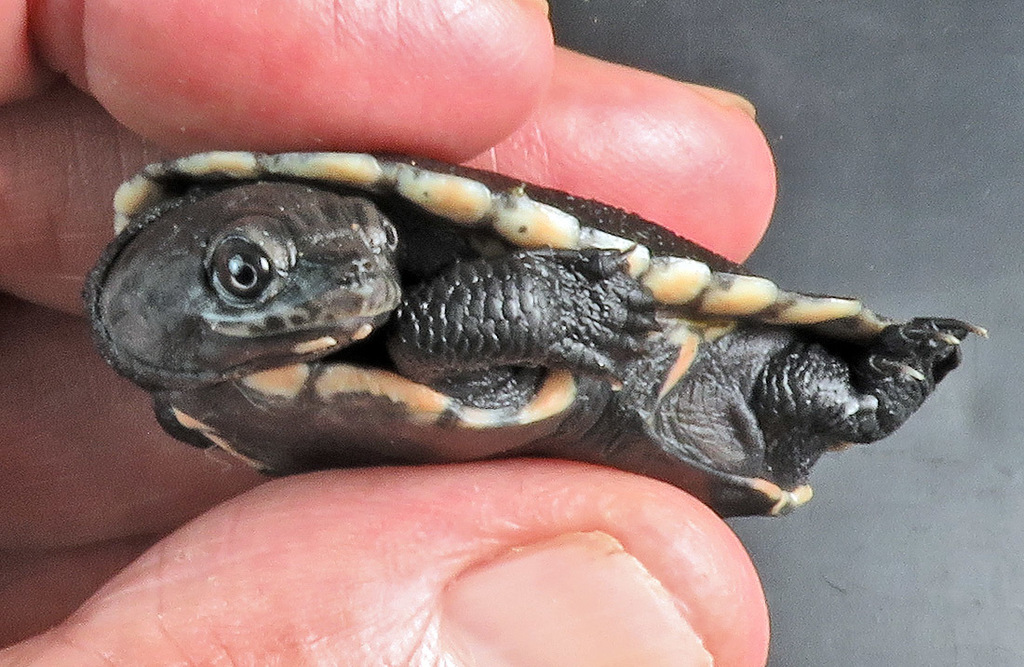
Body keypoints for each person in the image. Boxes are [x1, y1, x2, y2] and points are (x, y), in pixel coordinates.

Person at [0, 1, 777, 664]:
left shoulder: (395, 313)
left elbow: (418, 293)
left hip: (594, 377)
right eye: (247, 274)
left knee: (437, 331)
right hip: (550, 425)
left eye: (378, 252)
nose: (368, 285)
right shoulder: (188, 399)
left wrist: (558, 306)